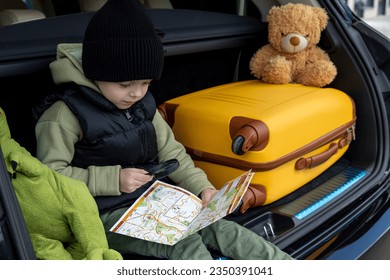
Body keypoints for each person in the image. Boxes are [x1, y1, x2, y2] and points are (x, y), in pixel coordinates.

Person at [34, 0, 293, 260]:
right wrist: (114, 180)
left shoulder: (142, 104)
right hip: (101, 214)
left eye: (146, 82)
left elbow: (172, 154)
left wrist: (203, 189)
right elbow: (50, 179)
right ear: (96, 72)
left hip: (154, 200)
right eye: (125, 84)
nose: (136, 92)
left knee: (221, 229)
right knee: (183, 242)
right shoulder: (63, 115)